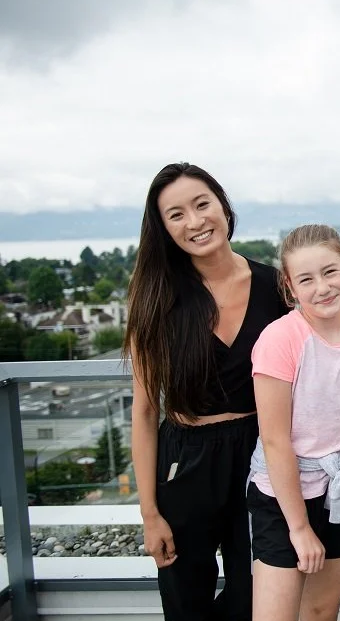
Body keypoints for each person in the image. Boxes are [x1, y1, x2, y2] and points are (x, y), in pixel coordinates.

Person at [126, 162, 288, 620]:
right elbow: (142, 412)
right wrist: (149, 513)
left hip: (260, 454)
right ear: (163, 228)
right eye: (176, 214)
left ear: (223, 206)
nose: (195, 221)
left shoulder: (276, 286)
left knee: (254, 595)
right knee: (185, 599)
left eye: (202, 204)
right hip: (185, 461)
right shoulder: (157, 296)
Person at [247, 224, 340, 621]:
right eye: (305, 279)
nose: (322, 287)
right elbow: (274, 440)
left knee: (321, 611)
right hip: (284, 496)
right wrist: (298, 528)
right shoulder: (280, 340)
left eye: (330, 272)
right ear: (291, 288)